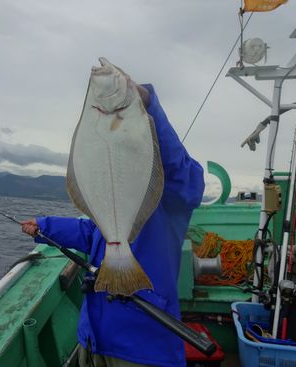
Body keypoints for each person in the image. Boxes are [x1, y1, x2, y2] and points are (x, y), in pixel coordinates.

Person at [21, 83, 204, 367]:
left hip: (142, 347)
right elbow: (92, 233)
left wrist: (150, 104)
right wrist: (46, 227)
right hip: (94, 338)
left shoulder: (171, 202)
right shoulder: (116, 201)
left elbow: (182, 172)